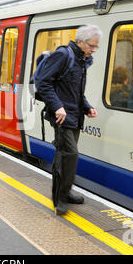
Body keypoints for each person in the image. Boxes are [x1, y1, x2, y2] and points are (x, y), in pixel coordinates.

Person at [36, 24, 101, 215]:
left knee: (63, 155)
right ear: (80, 41)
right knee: (70, 154)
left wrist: (87, 106)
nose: (93, 50)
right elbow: (43, 83)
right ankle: (62, 198)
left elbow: (76, 92)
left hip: (75, 115)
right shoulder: (64, 55)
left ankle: (63, 193)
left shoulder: (82, 60)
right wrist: (57, 106)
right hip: (61, 116)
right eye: (91, 46)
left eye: (96, 47)